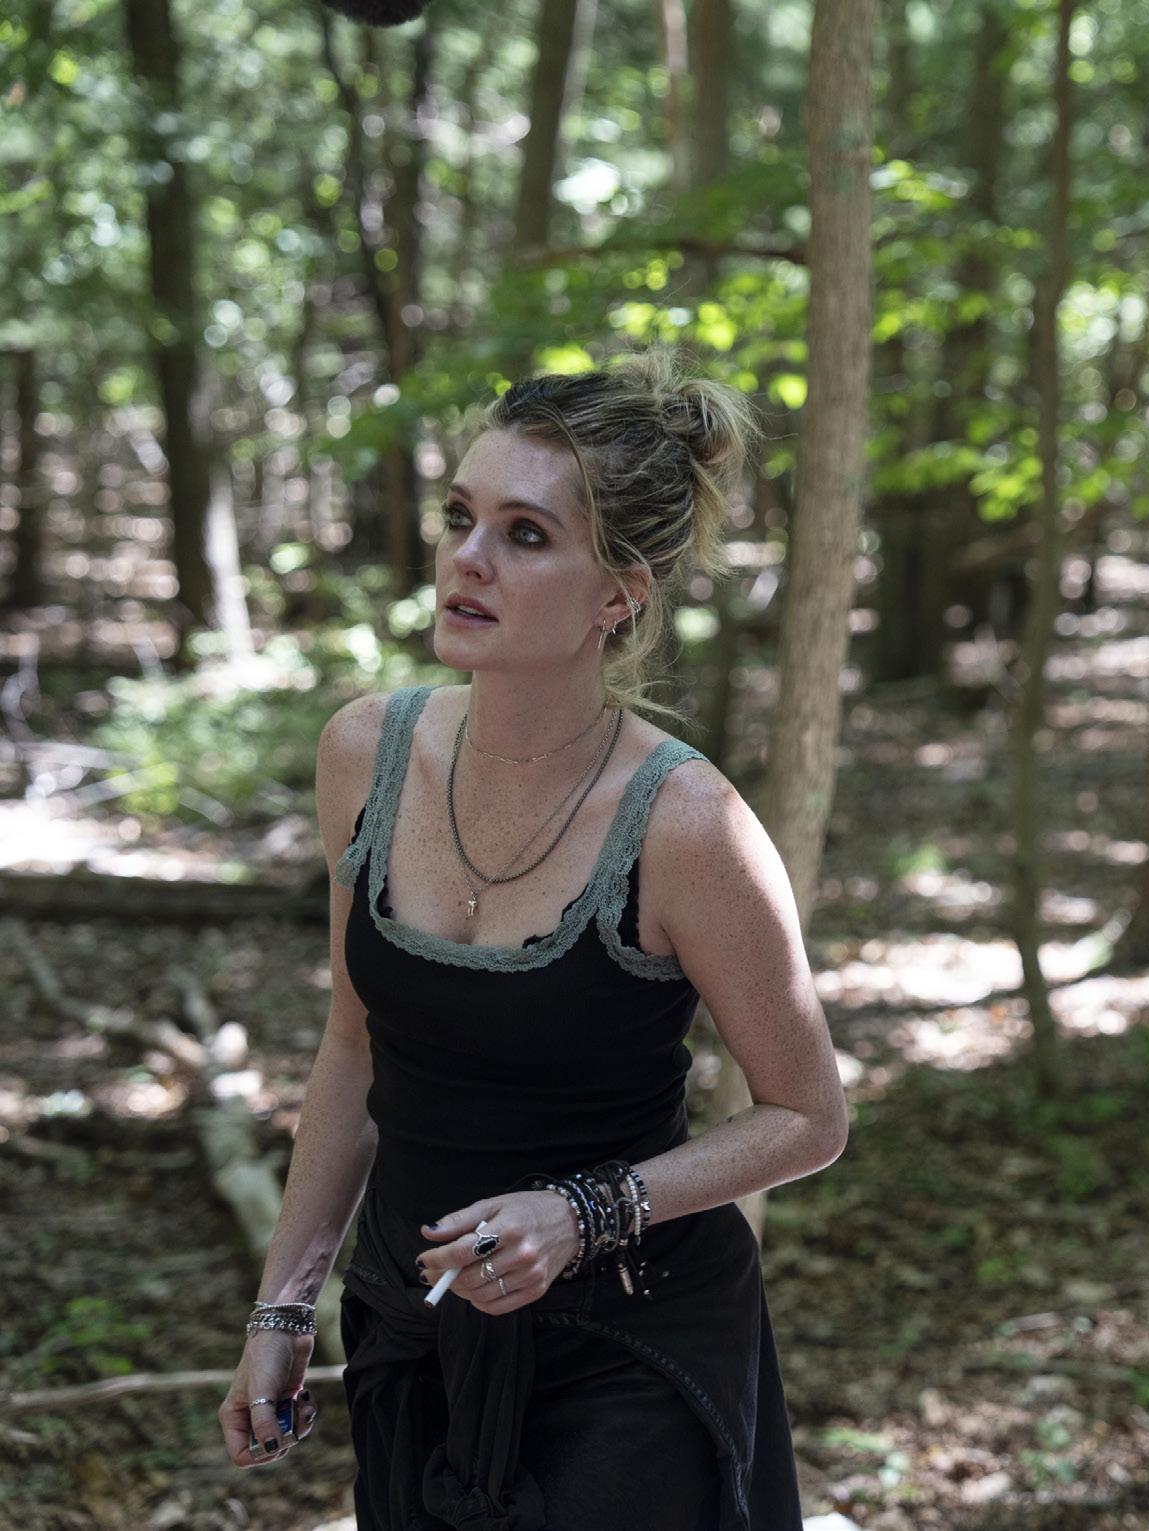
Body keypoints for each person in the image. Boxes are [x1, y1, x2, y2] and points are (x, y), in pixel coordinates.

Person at [216, 351, 849, 1530]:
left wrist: (584, 1210)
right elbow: (354, 1044)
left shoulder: (687, 824)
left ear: (619, 594)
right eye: (460, 516)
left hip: (627, 1357)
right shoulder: (364, 752)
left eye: (525, 534)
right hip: (413, 1335)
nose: (467, 557)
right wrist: (284, 1306)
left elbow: (808, 1116)